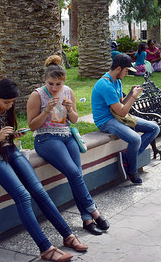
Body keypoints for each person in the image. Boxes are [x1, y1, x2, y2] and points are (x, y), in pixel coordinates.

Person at [0, 78, 87, 262]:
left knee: (39, 191)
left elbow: (4, 135)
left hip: (9, 149)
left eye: (12, 102)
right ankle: (45, 248)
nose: (9, 106)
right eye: (6, 102)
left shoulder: (7, 107)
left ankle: (68, 235)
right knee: (23, 196)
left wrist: (13, 135)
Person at [27, 55, 110, 236]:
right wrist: (46, 110)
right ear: (45, 81)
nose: (54, 88)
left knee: (76, 174)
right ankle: (94, 211)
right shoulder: (37, 95)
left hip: (67, 136)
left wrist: (70, 109)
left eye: (58, 84)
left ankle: (87, 219)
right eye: (50, 84)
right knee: (73, 172)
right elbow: (32, 125)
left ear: (64, 81)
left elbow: (74, 119)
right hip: (46, 138)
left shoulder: (68, 91)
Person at [91, 53, 160, 184]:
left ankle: (127, 158)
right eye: (126, 70)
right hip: (106, 121)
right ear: (118, 68)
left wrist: (130, 93)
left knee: (154, 128)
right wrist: (133, 97)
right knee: (135, 139)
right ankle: (132, 172)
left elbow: (121, 104)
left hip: (117, 116)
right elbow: (122, 112)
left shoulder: (117, 81)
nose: (127, 73)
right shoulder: (105, 85)